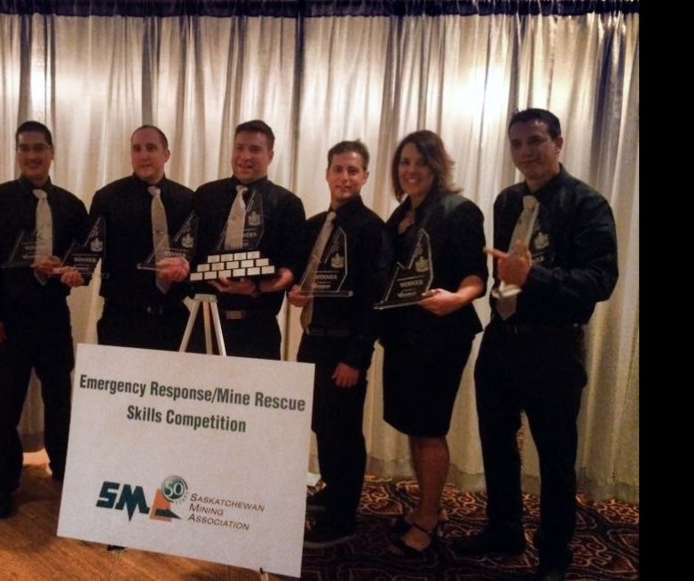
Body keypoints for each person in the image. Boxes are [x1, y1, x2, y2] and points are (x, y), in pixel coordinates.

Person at [455, 109, 618, 581]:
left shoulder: (588, 204)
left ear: (558, 143)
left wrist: (535, 278)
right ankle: (504, 530)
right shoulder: (507, 201)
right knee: (497, 444)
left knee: (555, 457)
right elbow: (505, 266)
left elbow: (601, 281)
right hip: (503, 340)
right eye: (518, 144)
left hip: (554, 346)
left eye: (536, 141)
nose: (526, 152)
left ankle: (553, 559)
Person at [0, 121, 88, 519]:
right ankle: (2, 484)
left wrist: (75, 273)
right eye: (24, 148)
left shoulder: (72, 205)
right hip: (10, 322)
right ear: (17, 153)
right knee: (5, 406)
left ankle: (65, 470)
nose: (33, 155)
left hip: (55, 318)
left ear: (53, 151)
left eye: (39, 147)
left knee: (60, 402)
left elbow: (83, 263)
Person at [379, 130, 488, 555]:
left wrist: (457, 299)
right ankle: (432, 505)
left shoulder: (460, 212)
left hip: (441, 337)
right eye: (404, 162)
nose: (411, 170)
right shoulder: (401, 213)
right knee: (413, 424)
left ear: (437, 166)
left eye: (420, 162)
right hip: (404, 336)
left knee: (429, 427)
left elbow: (476, 275)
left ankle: (427, 516)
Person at [287, 141, 392, 548]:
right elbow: (305, 280)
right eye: (338, 169)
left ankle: (343, 517)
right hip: (312, 342)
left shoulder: (371, 229)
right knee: (320, 425)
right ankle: (332, 494)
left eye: (353, 170)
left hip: (344, 350)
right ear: (327, 174)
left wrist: (356, 357)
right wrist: (296, 295)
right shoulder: (315, 225)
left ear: (364, 177)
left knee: (344, 432)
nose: (344, 178)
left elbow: (374, 298)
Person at [191, 120, 306, 359]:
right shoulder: (204, 196)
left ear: (270, 155)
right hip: (206, 325)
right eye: (239, 148)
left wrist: (254, 289)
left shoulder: (288, 204)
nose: (245, 156)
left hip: (258, 331)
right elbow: (191, 252)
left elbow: (292, 268)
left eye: (254, 149)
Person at [89, 125, 194, 350]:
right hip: (121, 321)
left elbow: (197, 253)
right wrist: (74, 271)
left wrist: (188, 269)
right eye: (137, 149)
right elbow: (89, 251)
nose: (144, 155)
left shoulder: (189, 201)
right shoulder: (106, 199)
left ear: (166, 154)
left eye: (151, 148)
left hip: (174, 320)